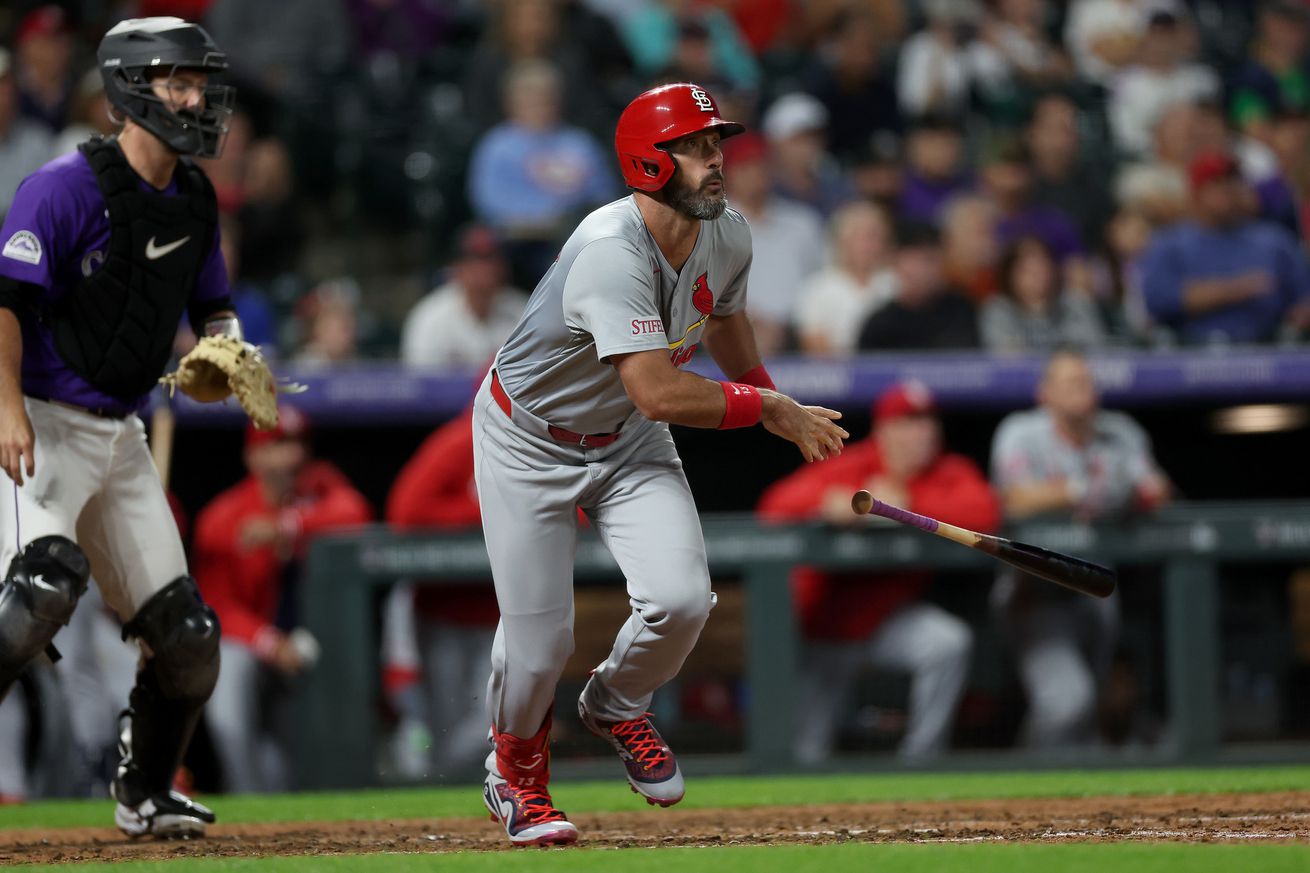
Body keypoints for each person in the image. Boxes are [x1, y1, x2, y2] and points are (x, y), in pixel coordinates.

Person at [474, 83, 848, 846]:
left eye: (718, 145)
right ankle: (514, 774)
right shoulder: (610, 249)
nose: (717, 160)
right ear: (650, 160)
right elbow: (655, 390)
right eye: (697, 147)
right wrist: (765, 409)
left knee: (681, 599)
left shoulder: (728, 232)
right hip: (529, 438)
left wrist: (773, 399)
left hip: (624, 441)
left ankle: (614, 702)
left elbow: (725, 315)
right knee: (540, 641)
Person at [0, 17, 240, 837]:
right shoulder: (61, 187)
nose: (195, 98)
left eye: (199, 82)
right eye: (178, 81)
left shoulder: (197, 197)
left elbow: (214, 308)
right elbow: (5, 302)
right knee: (36, 596)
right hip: (39, 421)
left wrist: (228, 356)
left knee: (189, 639)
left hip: (123, 432)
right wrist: (3, 409)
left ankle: (145, 791)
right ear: (131, 91)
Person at [758, 382, 999, 762]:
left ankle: (920, 761)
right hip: (825, 629)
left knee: (947, 643)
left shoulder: (945, 472)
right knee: (808, 751)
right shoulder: (853, 464)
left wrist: (904, 506)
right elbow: (773, 506)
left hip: (885, 623)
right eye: (909, 422)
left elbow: (984, 513)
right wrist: (828, 503)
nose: (924, 432)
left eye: (928, 422)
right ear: (884, 431)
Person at [991, 350, 1169, 747]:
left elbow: (1156, 490)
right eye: (1068, 382)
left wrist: (1140, 494)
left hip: (1099, 589)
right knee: (1067, 701)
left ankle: (1063, 800)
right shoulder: (1020, 432)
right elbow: (1014, 500)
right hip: (1034, 590)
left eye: (1085, 380)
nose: (1080, 389)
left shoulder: (1121, 432)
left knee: (1090, 710)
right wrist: (1080, 490)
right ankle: (1029, 784)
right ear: (1045, 393)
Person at [194, 407, 371, 793]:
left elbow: (356, 513)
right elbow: (216, 605)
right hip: (256, 646)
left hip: (313, 653)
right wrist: (270, 644)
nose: (290, 456)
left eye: (296, 444)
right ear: (252, 456)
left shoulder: (319, 488)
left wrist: (287, 527)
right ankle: (247, 804)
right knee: (229, 695)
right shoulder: (224, 517)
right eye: (276, 445)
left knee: (295, 760)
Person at [382, 406, 502, 779]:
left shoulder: (544, 441)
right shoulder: (457, 441)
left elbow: (578, 513)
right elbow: (405, 512)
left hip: (505, 616)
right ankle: (440, 805)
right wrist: (495, 510)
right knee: (443, 726)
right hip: (444, 614)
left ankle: (445, 782)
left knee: (494, 722)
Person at [1140, 151, 1310, 344]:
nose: (1229, 190)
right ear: (1196, 193)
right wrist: (1237, 290)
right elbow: (1158, 301)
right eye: (1217, 183)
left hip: (1265, 348)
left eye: (1233, 181)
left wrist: (1298, 317)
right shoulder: (1170, 243)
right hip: (1189, 349)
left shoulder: (1274, 241)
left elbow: (1304, 299)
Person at [719, 133, 826, 357]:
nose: (755, 174)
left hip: (801, 332)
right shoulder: (712, 227)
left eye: (761, 165)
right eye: (745, 166)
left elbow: (821, 281)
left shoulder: (802, 222)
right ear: (727, 174)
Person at [401, 227, 529, 369]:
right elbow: (421, 381)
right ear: (457, 266)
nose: (486, 268)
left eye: (492, 258)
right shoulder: (430, 316)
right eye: (476, 258)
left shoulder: (524, 312)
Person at [794, 201, 898, 356]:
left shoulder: (895, 282)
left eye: (878, 238)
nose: (871, 247)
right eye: (865, 238)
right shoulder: (818, 288)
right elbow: (815, 349)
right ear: (843, 241)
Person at [857, 222, 980, 351]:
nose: (928, 270)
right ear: (897, 262)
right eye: (922, 260)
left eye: (934, 260)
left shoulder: (962, 311)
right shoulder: (880, 324)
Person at [981, 236, 1107, 352]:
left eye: (1042, 267)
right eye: (1028, 271)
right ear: (1010, 275)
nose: (1037, 276)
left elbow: (1094, 350)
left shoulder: (1076, 303)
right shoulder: (998, 310)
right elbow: (1007, 359)